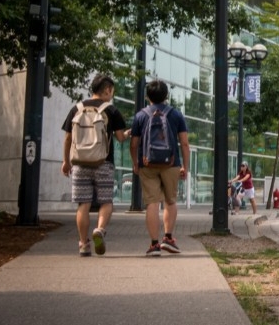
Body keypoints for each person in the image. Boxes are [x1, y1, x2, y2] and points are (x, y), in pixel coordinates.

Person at [61, 74, 129, 257]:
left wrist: (66, 161)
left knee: (83, 203)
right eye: (112, 91)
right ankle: (99, 229)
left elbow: (68, 137)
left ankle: (83, 244)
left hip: (80, 164)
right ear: (107, 90)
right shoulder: (111, 110)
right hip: (103, 163)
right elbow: (120, 137)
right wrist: (128, 133)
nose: (111, 95)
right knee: (106, 201)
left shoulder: (77, 108)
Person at [130, 80, 191, 256]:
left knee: (152, 203)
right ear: (166, 96)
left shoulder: (140, 116)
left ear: (147, 96)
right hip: (171, 163)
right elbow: (184, 143)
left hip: (147, 164)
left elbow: (134, 144)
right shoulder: (176, 115)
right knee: (170, 201)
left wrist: (136, 162)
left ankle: (154, 244)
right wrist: (185, 167)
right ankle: (168, 238)